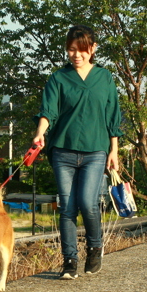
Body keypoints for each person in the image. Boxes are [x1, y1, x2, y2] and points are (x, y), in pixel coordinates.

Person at [32, 25, 123, 279]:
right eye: (71, 50)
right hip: (63, 151)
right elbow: (48, 111)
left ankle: (95, 248)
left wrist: (114, 151)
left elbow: (112, 116)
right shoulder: (58, 78)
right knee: (67, 207)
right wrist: (40, 133)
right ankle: (69, 260)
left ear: (92, 48)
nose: (76, 55)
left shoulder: (104, 78)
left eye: (81, 49)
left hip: (96, 150)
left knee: (87, 202)